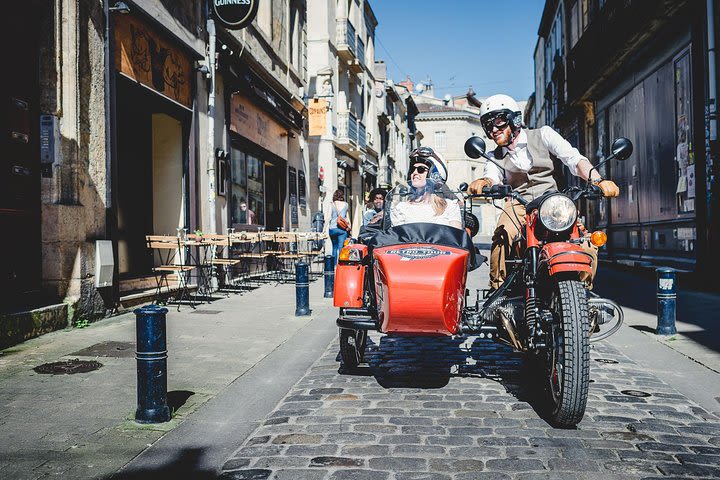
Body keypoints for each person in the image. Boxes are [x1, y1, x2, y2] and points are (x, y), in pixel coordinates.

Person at [468, 94, 620, 290]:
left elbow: (573, 158)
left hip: (552, 201)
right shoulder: (493, 156)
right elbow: (492, 175)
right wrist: (485, 181)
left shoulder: (544, 134)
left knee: (584, 240)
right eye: (488, 126)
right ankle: (497, 290)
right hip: (518, 203)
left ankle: (583, 296)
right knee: (503, 234)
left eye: (499, 122)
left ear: (514, 119)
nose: (494, 129)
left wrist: (598, 180)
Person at [390, 147, 462, 229]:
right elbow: (398, 238)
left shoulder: (449, 206)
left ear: (435, 174)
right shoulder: (400, 208)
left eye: (421, 169)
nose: (415, 172)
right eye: (413, 169)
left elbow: (456, 237)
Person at [326, 188, 351, 266]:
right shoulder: (346, 204)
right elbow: (347, 218)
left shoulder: (332, 204)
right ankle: (340, 265)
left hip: (332, 229)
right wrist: (349, 227)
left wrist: (324, 230)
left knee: (334, 247)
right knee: (341, 248)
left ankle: (333, 266)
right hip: (342, 230)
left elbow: (328, 218)